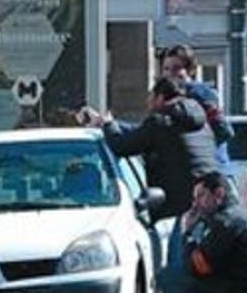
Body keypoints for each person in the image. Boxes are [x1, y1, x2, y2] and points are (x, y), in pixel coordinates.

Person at [83, 77, 218, 221]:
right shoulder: (202, 125)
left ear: (160, 97)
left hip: (177, 210)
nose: (148, 101)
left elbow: (121, 146)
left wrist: (108, 125)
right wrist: (109, 124)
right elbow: (141, 132)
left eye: (150, 96)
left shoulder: (160, 122)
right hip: (210, 202)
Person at [160, 45, 235, 167]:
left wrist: (197, 146)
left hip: (213, 169)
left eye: (176, 68)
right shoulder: (168, 96)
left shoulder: (199, 93)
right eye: (166, 69)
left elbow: (224, 131)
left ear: (191, 71)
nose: (170, 74)